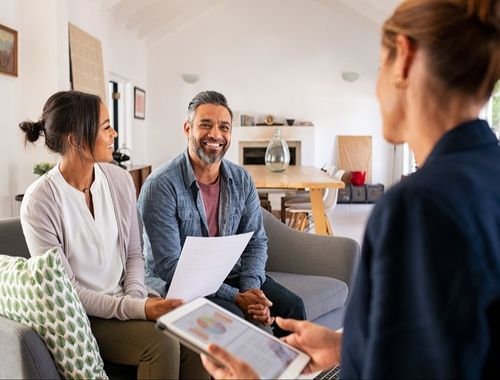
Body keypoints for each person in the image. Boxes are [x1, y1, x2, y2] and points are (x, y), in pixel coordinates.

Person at [201, 0, 500, 378]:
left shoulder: (417, 207)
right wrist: (347, 347)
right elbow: (452, 346)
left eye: (379, 67)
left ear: (404, 58)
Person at [19, 90, 208, 380]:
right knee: (162, 343)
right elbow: (67, 292)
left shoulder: (119, 180)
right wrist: (136, 309)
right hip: (85, 317)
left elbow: (134, 254)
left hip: (126, 299)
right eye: (106, 127)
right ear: (75, 139)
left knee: (194, 335)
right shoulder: (40, 201)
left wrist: (135, 301)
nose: (115, 133)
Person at [138, 90, 306, 337]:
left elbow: (256, 241)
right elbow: (170, 268)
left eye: (224, 127)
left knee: (293, 307)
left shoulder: (241, 179)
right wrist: (237, 298)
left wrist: (251, 291)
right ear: (187, 129)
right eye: (205, 125)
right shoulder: (160, 186)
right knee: (235, 318)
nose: (215, 134)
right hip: (182, 285)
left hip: (232, 275)